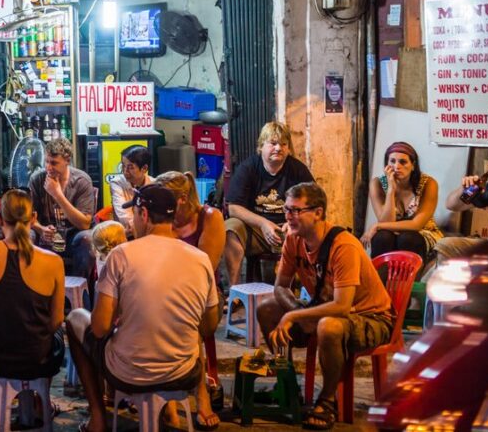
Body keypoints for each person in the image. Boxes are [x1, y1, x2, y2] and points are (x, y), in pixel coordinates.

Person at [65, 184, 220, 432]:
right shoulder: (200, 258)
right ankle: (171, 410)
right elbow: (210, 325)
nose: (132, 221)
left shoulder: (121, 255)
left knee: (74, 320)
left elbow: (100, 327)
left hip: (129, 373)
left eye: (134, 214)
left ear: (144, 215)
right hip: (184, 372)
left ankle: (97, 418)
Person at [256, 182, 393, 431]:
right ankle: (286, 384)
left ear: (318, 213)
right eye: (286, 210)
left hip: (371, 317)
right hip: (326, 307)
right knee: (266, 308)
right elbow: (280, 287)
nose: (289, 217)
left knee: (328, 326)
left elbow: (341, 307)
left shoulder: (344, 246)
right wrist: (295, 311)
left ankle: (328, 401)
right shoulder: (293, 240)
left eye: (296, 211)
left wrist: (294, 315)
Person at [0, 188, 66, 385]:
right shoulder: (54, 261)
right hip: (37, 360)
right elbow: (56, 321)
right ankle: (40, 402)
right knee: (57, 332)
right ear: (33, 218)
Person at [224, 121, 315, 286]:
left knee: (313, 227)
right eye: (273, 143)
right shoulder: (248, 168)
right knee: (231, 228)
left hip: (288, 228)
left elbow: (314, 202)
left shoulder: (298, 170)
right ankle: (235, 290)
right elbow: (233, 208)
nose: (278, 148)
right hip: (256, 229)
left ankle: (304, 288)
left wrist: (293, 222)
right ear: (261, 146)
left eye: (283, 144)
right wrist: (263, 223)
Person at [29, 138, 97, 278]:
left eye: (54, 163)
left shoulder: (82, 181)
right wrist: (41, 229)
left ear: (67, 160)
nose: (48, 167)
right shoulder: (37, 179)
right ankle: (32, 289)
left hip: (74, 236)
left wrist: (57, 195)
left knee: (87, 239)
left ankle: (79, 291)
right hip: (46, 235)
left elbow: (84, 223)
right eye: (46, 161)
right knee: (25, 235)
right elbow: (28, 217)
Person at [363, 142, 442, 259]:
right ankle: (380, 277)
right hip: (390, 231)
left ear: (413, 165)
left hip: (422, 232)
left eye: (403, 162)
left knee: (407, 238)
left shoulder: (428, 183)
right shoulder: (377, 183)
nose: (397, 166)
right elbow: (385, 221)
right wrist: (391, 190)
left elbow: (416, 224)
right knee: (382, 238)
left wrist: (377, 226)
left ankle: (410, 277)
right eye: (392, 161)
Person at [157, 170, 225, 272]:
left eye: (165, 200)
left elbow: (206, 269)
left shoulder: (210, 217)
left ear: (183, 199)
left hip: (198, 284)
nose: (159, 205)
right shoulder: (160, 217)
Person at [107, 145, 154, 234]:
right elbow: (124, 217)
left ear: (144, 168)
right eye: (123, 166)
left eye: (130, 167)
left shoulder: (154, 184)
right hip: (126, 235)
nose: (125, 171)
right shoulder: (117, 183)